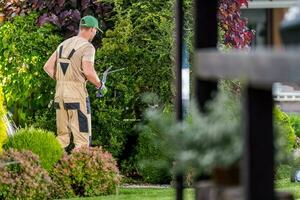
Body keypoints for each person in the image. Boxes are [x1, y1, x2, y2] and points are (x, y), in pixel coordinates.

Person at [43, 15, 103, 149]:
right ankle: (77, 169)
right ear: (92, 29)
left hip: (60, 95)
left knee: (62, 137)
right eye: (95, 31)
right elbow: (88, 72)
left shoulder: (63, 44)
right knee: (82, 141)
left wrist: (63, 80)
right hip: (76, 96)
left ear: (81, 28)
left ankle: (50, 164)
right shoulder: (88, 47)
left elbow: (47, 67)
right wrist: (100, 85)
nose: (95, 33)